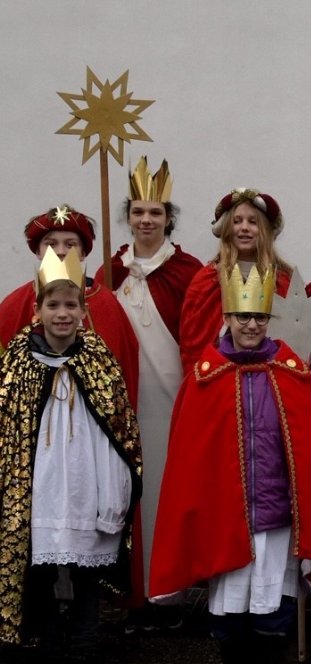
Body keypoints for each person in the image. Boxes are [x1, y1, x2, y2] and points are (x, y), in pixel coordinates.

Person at [149, 263, 311, 664]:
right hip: (226, 513)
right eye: (242, 317)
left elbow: (307, 450)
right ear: (227, 319)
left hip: (276, 513)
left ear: (269, 319)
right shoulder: (204, 378)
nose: (251, 325)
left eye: (259, 317)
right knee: (230, 600)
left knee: (273, 597)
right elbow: (189, 456)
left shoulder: (292, 375)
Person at [0, 247, 142, 664]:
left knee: (83, 583)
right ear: (38, 309)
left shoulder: (99, 362)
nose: (63, 314)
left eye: (71, 305)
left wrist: (114, 498)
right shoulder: (17, 363)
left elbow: (118, 435)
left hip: (86, 487)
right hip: (37, 491)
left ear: (84, 311)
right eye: (53, 305)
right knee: (40, 579)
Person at [94, 157, 202, 618]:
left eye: (155, 213)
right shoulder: (107, 272)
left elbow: (197, 330)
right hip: (123, 397)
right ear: (127, 217)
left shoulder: (188, 270)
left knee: (165, 484)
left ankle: (171, 585)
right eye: (138, 211)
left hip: (170, 397)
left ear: (168, 219)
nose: (146, 220)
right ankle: (126, 587)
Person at [0, 204, 139, 404]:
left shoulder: (105, 301)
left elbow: (126, 364)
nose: (61, 251)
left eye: (70, 244)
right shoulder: (16, 304)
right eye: (51, 244)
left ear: (83, 253)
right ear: (38, 251)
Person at [179, 188, 291, 374]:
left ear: (264, 230)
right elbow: (193, 344)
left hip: (270, 377)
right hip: (220, 379)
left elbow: (294, 340)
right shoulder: (207, 280)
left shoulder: (282, 280)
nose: (244, 227)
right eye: (236, 221)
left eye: (253, 222)